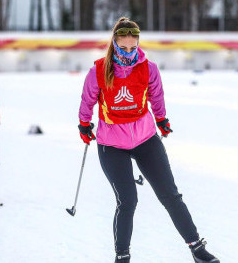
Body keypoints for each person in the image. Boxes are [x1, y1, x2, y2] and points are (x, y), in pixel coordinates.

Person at [78, 17, 220, 263]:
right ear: (114, 44)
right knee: (128, 201)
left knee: (170, 195)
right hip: (111, 145)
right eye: (124, 48)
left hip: (145, 139)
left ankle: (197, 248)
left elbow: (156, 96)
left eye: (133, 48)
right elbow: (87, 100)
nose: (129, 53)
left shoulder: (148, 68)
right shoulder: (99, 70)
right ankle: (122, 257)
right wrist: (83, 123)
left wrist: (162, 119)